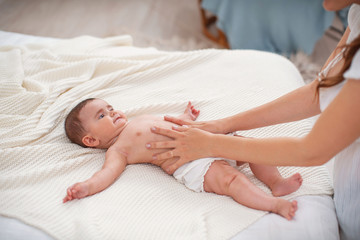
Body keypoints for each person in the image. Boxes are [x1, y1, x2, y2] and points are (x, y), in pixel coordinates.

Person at [146, 1, 360, 239]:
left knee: (234, 178)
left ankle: (275, 190)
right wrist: (223, 125)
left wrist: (209, 144)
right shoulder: (358, 13)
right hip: (346, 193)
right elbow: (318, 91)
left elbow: (312, 151)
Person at [63, 98, 303, 220]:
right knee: (232, 180)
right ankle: (274, 205)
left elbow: (169, 124)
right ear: (91, 140)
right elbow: (106, 174)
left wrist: (185, 116)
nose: (113, 112)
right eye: (102, 115)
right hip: (191, 163)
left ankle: (276, 182)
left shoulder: (137, 119)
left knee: (251, 147)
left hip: (204, 139)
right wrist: (86, 187)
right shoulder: (118, 150)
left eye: (111, 107)